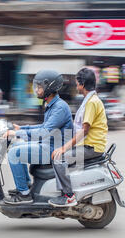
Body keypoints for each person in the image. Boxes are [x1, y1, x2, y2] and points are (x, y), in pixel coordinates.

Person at [2, 70, 73, 205]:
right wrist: (22, 129)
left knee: (13, 154)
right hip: (48, 144)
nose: (36, 89)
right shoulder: (52, 105)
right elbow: (43, 126)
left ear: (49, 87)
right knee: (15, 146)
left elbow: (43, 132)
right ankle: (27, 186)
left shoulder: (59, 108)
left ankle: (24, 194)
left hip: (53, 149)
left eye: (39, 87)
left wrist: (16, 134)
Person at [49, 67, 108, 207]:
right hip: (89, 145)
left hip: (92, 147)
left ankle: (68, 196)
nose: (76, 86)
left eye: (77, 83)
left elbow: (84, 131)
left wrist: (64, 148)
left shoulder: (92, 102)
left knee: (59, 157)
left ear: (82, 84)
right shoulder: (90, 100)